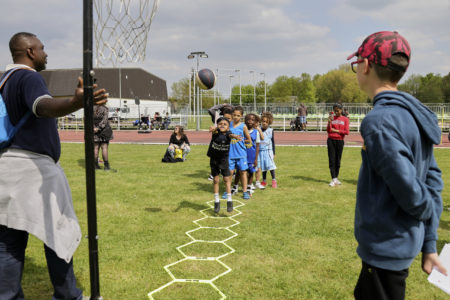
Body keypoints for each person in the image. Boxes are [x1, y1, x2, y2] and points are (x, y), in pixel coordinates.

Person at [0, 32, 108, 300]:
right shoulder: (29, 77)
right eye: (42, 48)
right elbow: (42, 106)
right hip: (32, 170)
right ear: (30, 52)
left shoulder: (3, 80)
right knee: (59, 234)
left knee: (9, 243)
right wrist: (75, 102)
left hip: (6, 167)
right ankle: (68, 295)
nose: (46, 53)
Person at [348, 31, 447, 299]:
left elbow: (413, 192)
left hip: (385, 247)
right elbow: (433, 180)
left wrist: (424, 212)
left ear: (365, 65)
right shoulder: (413, 115)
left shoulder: (379, 121)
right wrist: (429, 244)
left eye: (356, 63)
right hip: (398, 245)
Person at [207, 117, 240, 213]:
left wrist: (236, 136)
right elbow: (212, 129)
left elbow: (231, 135)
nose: (222, 125)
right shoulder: (216, 132)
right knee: (216, 180)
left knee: (226, 179)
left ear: (228, 127)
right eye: (220, 123)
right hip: (214, 159)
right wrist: (212, 128)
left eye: (225, 124)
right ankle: (216, 202)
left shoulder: (229, 134)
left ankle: (229, 201)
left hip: (224, 160)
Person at [222, 106, 252, 200]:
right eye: (234, 115)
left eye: (238, 115)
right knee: (230, 173)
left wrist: (243, 141)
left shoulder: (243, 126)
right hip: (230, 154)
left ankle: (244, 191)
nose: (235, 117)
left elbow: (249, 139)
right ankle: (228, 191)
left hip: (241, 154)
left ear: (241, 116)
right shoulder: (228, 124)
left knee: (243, 172)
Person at [326, 103, 349, 187]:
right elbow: (328, 130)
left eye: (338, 110)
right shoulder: (332, 118)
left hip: (340, 141)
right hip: (331, 140)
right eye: (335, 110)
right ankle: (333, 178)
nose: (336, 112)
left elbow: (347, 132)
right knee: (332, 159)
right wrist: (329, 123)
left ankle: (336, 178)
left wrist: (335, 130)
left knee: (338, 160)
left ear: (341, 110)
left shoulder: (345, 119)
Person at [258, 112, 277, 188]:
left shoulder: (270, 130)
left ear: (269, 122)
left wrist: (274, 152)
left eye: (266, 122)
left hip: (268, 151)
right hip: (261, 151)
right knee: (263, 166)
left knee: (270, 166)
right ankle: (264, 181)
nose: (264, 123)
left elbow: (273, 142)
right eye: (263, 121)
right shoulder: (258, 130)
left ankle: (274, 180)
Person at [94, 104, 113, 170]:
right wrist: (99, 128)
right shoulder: (104, 108)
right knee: (104, 147)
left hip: (93, 131)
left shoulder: (90, 108)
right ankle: (106, 166)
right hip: (103, 130)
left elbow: (87, 119)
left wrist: (93, 128)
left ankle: (95, 165)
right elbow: (105, 120)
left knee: (95, 148)